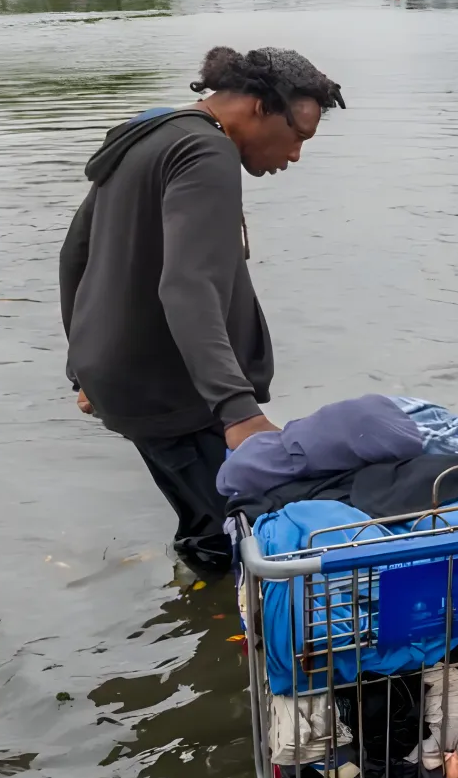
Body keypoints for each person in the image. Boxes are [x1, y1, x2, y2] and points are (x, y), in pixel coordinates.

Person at [59, 47, 346, 574]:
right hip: (174, 389)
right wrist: (238, 412)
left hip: (130, 381)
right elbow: (187, 287)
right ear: (259, 107)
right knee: (243, 535)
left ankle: (198, 628)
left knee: (205, 519)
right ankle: (229, 635)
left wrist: (84, 364)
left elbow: (76, 252)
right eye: (299, 135)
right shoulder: (206, 152)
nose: (297, 155)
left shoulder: (151, 134)